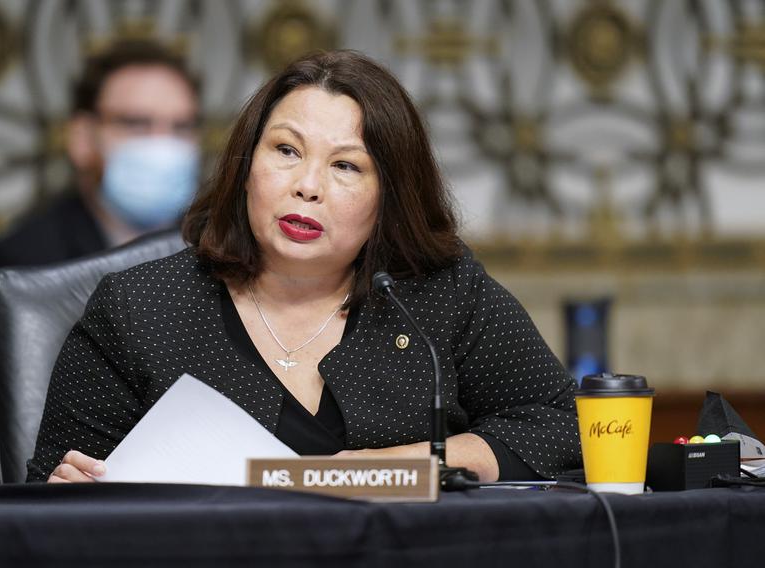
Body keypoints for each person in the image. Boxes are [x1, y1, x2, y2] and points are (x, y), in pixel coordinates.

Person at [30, 50, 581, 484]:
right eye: (286, 151)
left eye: (345, 165)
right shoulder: (140, 308)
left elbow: (565, 428)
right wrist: (68, 493)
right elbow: (41, 501)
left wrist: (411, 462)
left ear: (388, 197)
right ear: (246, 168)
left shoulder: (439, 294)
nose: (307, 186)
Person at [0, 39, 201, 490]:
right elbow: (8, 432)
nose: (162, 145)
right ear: (83, 137)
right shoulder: (25, 263)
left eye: (181, 127)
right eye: (137, 124)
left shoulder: (220, 253)